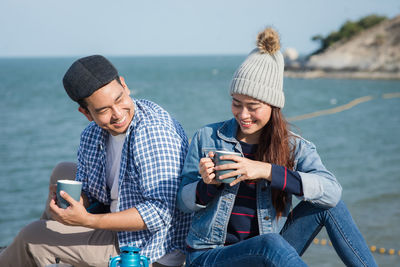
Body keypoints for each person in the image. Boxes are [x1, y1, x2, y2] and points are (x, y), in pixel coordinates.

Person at [177, 28, 378, 266]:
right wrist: (206, 185)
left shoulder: (293, 146)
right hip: (210, 256)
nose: (243, 114)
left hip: (269, 249)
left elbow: (331, 192)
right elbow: (182, 203)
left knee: (329, 207)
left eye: (253, 106)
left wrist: (266, 171)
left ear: (273, 106)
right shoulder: (208, 137)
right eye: (236, 103)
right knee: (269, 243)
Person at [0, 55, 191, 267]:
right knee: (62, 172)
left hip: (147, 248)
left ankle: (34, 249)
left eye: (119, 99)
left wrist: (87, 221)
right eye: (103, 110)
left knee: (31, 236)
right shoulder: (93, 134)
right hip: (118, 217)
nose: (118, 114)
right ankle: (51, 240)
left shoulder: (153, 133)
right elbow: (91, 192)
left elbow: (161, 212)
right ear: (86, 113)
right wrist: (74, 203)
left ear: (125, 85)